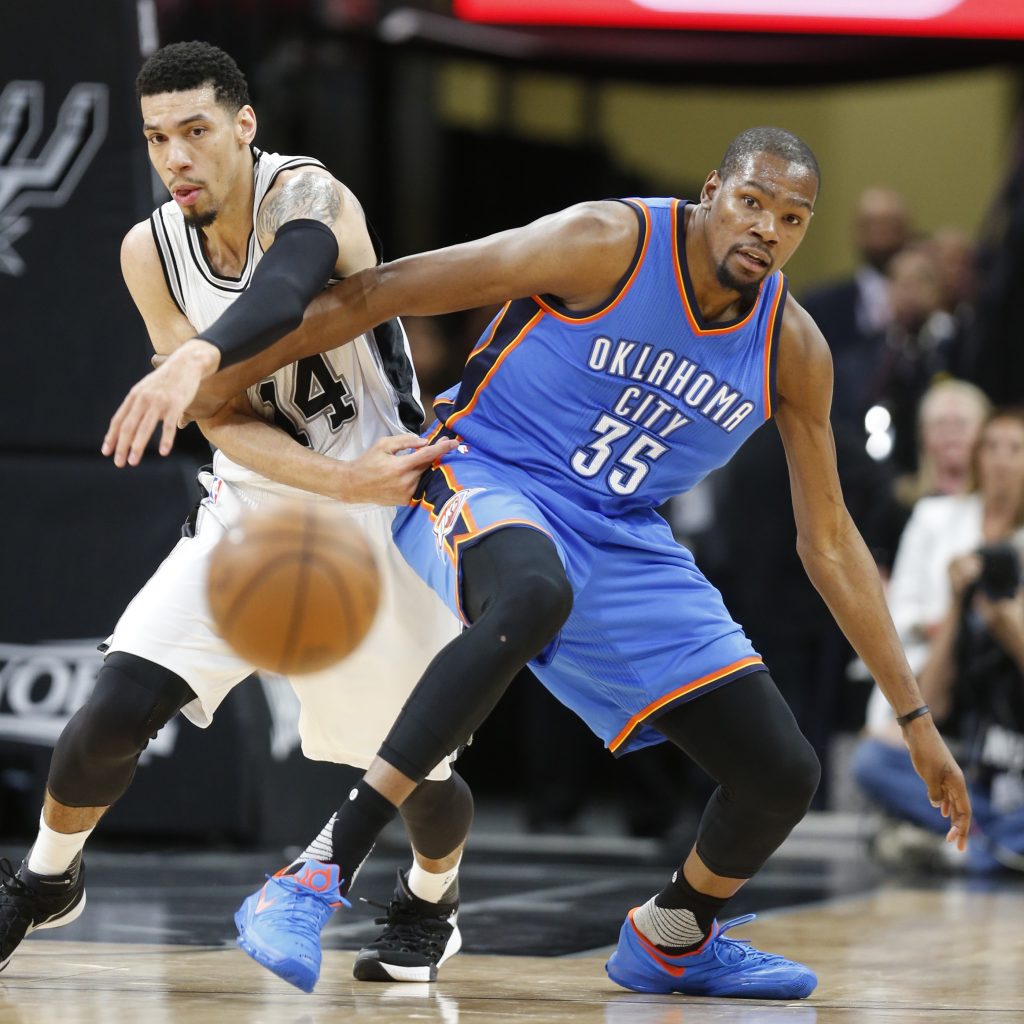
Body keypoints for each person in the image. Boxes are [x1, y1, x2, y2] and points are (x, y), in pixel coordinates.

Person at [102, 126, 972, 1001]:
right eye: (752, 202)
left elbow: (830, 541)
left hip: (621, 529)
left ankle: (674, 935)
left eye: (791, 218)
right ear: (713, 191)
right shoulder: (607, 241)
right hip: (486, 469)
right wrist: (215, 368)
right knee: (532, 589)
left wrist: (914, 720)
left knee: (782, 773)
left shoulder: (794, 346)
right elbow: (382, 290)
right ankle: (312, 876)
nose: (767, 230)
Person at [0, 42, 472, 993]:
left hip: (384, 506)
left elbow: (285, 292)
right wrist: (319, 471)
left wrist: (192, 359)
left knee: (416, 770)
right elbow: (222, 422)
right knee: (110, 712)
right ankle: (47, 880)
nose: (176, 157)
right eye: (156, 138)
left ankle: (432, 899)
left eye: (196, 131)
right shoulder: (149, 250)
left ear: (244, 126)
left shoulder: (310, 195)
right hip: (260, 506)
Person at [854, 409, 1024, 872]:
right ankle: (997, 846)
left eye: (1015, 449)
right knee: (871, 761)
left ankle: (973, 850)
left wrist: (1007, 621)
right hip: (971, 747)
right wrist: (954, 606)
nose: (1001, 460)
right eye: (991, 447)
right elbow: (934, 697)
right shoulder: (940, 522)